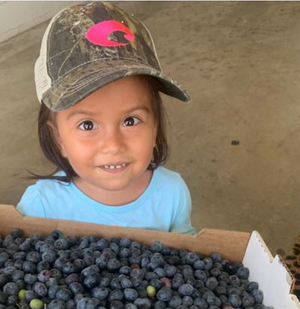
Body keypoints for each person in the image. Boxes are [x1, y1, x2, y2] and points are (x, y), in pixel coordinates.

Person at [17, 1, 196, 235]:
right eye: (88, 125)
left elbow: (188, 252)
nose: (113, 145)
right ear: (58, 137)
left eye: (130, 121)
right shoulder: (40, 206)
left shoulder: (172, 194)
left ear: (155, 127)